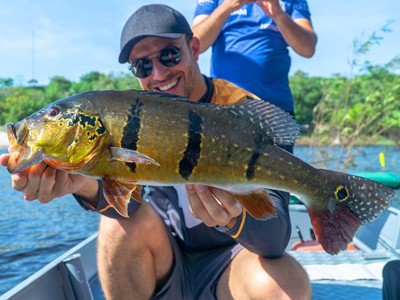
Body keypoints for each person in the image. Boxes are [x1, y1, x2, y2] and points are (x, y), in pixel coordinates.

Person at [0, 4, 311, 299]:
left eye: (170, 55)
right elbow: (129, 206)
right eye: (143, 65)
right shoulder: (129, 115)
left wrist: (234, 218)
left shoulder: (244, 112)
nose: (159, 74)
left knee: (286, 287)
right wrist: (79, 183)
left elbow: (274, 241)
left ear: (194, 49)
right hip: (165, 259)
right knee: (113, 224)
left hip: (231, 263)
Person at [192, 0, 317, 115]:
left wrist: (278, 14)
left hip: (275, 109)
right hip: (223, 105)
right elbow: (194, 44)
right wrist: (226, 7)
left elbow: (308, 49)